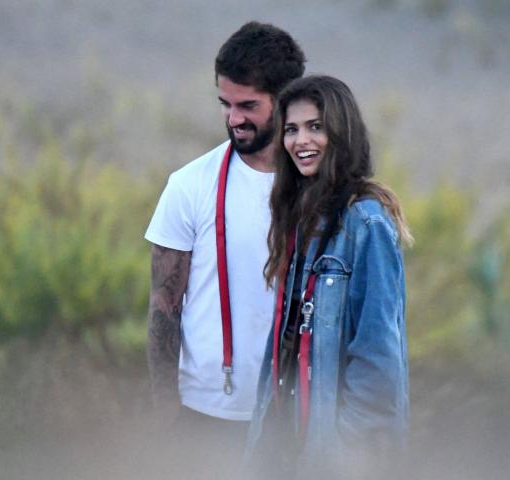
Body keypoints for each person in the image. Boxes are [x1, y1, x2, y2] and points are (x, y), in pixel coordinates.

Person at [143, 21, 306, 477]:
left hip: (297, 417)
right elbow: (163, 307)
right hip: (203, 418)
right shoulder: (189, 185)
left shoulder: (321, 188)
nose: (233, 118)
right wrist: (166, 416)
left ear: (286, 100)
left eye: (248, 105)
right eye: (225, 104)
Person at [244, 75, 412, 479]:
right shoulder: (299, 219)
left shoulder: (366, 223)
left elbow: (377, 360)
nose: (301, 140)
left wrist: (348, 453)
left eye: (315, 127)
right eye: (291, 129)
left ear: (341, 132)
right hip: (285, 450)